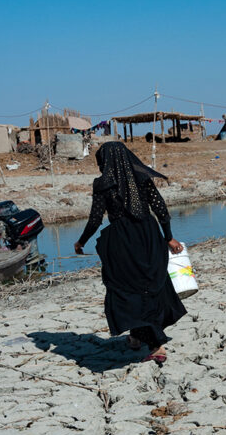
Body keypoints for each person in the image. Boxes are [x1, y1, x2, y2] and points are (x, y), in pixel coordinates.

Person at [74, 142, 186, 363]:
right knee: (150, 286)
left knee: (126, 289)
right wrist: (168, 237)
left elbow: (95, 219)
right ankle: (136, 336)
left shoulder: (103, 183)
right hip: (149, 236)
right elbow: (161, 209)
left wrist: (81, 242)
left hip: (123, 241)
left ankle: (155, 346)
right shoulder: (141, 177)